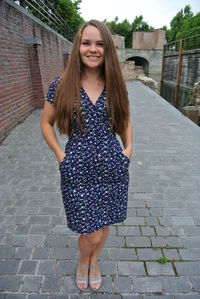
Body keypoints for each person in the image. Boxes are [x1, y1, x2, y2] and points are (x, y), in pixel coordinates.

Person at [40, 19, 133, 292]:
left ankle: (95, 261)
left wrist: (128, 150)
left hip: (112, 167)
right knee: (89, 229)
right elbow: (46, 123)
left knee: (103, 225)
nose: (93, 49)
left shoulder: (116, 85)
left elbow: (126, 120)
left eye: (99, 44)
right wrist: (60, 154)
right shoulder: (61, 85)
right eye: (86, 43)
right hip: (77, 168)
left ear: (107, 49)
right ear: (78, 46)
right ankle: (84, 261)